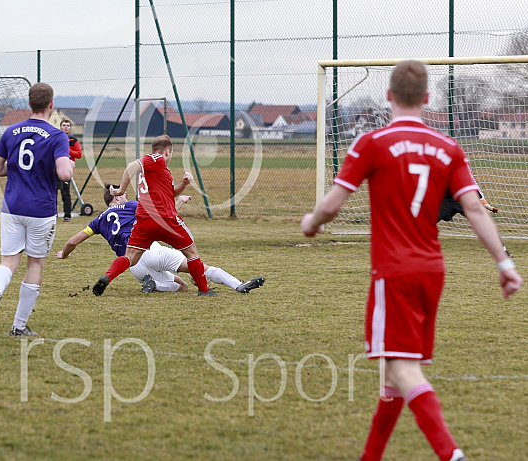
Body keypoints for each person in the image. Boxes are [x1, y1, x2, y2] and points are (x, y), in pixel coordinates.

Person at [300, 60, 522, 461]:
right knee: (391, 377)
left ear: (388, 95)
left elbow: (332, 206)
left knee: (403, 370)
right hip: (432, 271)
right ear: (426, 98)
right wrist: (504, 264)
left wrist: (311, 222)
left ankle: (450, 453)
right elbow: (474, 209)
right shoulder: (449, 148)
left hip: (394, 271)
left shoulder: (371, 143)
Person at [0, 82, 74, 337]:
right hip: (40, 210)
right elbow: (64, 173)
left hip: (11, 207)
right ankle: (18, 326)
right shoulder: (57, 136)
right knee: (35, 264)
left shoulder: (11, 131)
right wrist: (67, 167)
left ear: (29, 104)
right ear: (51, 105)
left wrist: (20, 169)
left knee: (8, 261)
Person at [56, 184, 265, 293]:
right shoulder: (131, 206)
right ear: (117, 196)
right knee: (198, 265)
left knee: (182, 285)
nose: (126, 196)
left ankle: (155, 285)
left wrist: (63, 254)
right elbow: (162, 213)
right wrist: (180, 200)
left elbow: (72, 241)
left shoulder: (97, 221)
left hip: (132, 265)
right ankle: (238, 285)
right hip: (149, 250)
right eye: (123, 193)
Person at [92, 134, 217, 296]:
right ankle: (203, 290)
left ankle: (108, 277)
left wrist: (184, 184)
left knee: (130, 256)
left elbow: (170, 193)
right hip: (164, 219)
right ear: (167, 151)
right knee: (191, 252)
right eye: (171, 153)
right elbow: (131, 166)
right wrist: (121, 190)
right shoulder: (156, 159)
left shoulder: (159, 170)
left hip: (144, 220)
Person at [438, 190, 513, 258]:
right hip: (446, 201)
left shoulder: (465, 175)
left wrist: (486, 205)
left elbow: (473, 186)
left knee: (485, 225)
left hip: (464, 201)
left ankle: (503, 251)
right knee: (427, 222)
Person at [57, 119, 82, 222]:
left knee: (65, 193)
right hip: (55, 168)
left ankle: (67, 215)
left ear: (70, 128)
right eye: (64, 125)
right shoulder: (56, 139)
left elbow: (78, 154)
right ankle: (52, 214)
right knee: (53, 192)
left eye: (68, 125)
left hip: (67, 169)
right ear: (60, 127)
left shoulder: (74, 141)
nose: (66, 127)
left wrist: (66, 150)